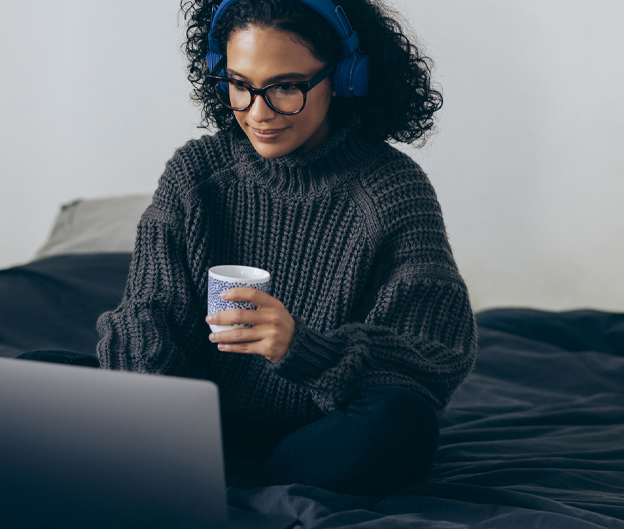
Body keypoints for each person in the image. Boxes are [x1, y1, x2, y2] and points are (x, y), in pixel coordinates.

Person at [92, 0, 478, 496]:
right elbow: (147, 313)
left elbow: (435, 355)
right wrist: (151, 411)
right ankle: (187, 465)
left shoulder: (392, 189)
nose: (258, 113)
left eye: (286, 87)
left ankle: (248, 480)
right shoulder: (197, 172)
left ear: (346, 78)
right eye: (240, 85)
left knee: (403, 423)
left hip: (317, 432)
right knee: (40, 376)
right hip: (190, 423)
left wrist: (301, 348)